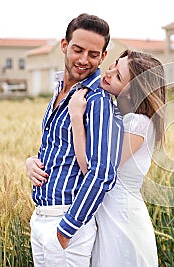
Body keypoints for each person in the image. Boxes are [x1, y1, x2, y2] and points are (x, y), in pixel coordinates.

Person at [25, 13, 124, 266]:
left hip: (66, 222)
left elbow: (102, 172)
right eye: (78, 50)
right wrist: (32, 162)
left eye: (93, 54)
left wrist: (66, 229)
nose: (83, 60)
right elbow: (58, 147)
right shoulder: (61, 90)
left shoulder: (96, 100)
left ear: (103, 57)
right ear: (64, 45)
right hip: (41, 218)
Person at [69, 49, 166, 266]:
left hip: (123, 223)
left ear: (134, 92)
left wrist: (76, 117)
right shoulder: (115, 115)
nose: (109, 72)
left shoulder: (138, 124)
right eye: (114, 64)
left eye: (119, 76)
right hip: (105, 219)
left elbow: (95, 170)